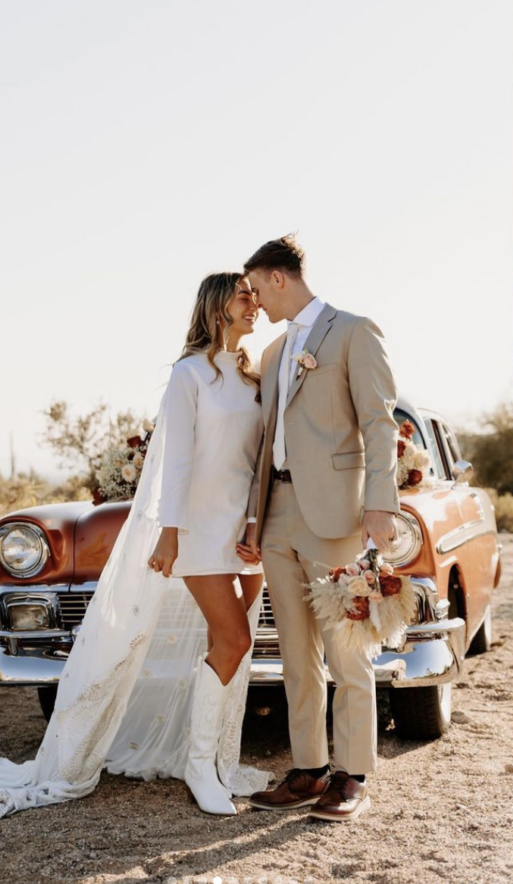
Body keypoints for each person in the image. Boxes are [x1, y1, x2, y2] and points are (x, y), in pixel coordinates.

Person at [0, 273, 269, 818]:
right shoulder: (189, 374)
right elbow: (173, 461)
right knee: (235, 639)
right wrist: (169, 533)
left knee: (236, 644)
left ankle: (213, 758)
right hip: (198, 530)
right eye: (245, 295)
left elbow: (259, 462)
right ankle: (200, 767)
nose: (256, 303)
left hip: (244, 533)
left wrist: (255, 526)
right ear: (218, 306)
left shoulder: (252, 377)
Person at [237, 234, 399, 823]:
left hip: (336, 514)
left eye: (257, 289)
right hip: (277, 513)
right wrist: (255, 517)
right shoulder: (276, 351)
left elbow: (379, 424)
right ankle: (309, 769)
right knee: (297, 655)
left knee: (347, 648)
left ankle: (352, 775)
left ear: (279, 278)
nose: (255, 303)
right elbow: (265, 442)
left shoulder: (354, 331)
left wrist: (381, 504)